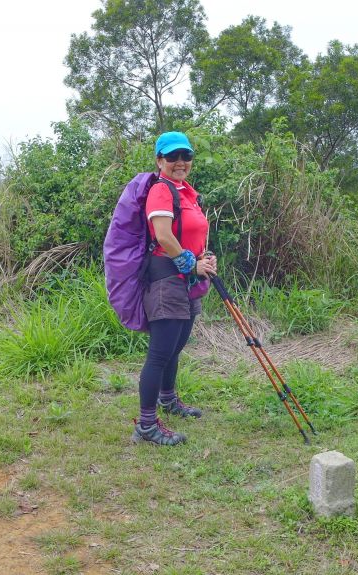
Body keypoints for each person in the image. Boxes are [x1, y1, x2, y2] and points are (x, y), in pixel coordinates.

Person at [132, 131, 217, 446]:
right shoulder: (161, 191)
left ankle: (168, 400)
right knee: (159, 353)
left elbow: (191, 233)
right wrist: (191, 264)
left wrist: (203, 258)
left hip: (187, 277)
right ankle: (145, 426)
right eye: (172, 157)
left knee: (176, 346)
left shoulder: (186, 192)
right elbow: (164, 237)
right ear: (159, 160)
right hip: (166, 277)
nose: (180, 162)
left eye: (186, 156)